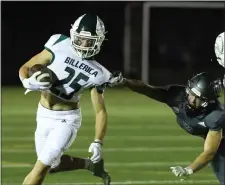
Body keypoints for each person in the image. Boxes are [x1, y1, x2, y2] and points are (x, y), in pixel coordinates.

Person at [19, 13, 112, 185]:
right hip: (43, 114)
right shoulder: (58, 43)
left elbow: (100, 111)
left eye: (89, 41)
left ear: (99, 42)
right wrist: (27, 81)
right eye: (80, 39)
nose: (83, 45)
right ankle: (91, 166)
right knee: (53, 165)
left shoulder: (100, 73)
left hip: (66, 120)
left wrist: (98, 141)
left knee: (39, 170)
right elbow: (26, 67)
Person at [109, 72, 225, 185]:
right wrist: (125, 82)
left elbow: (209, 152)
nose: (191, 100)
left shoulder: (215, 116)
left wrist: (188, 170)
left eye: (197, 98)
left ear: (207, 102)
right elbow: (148, 89)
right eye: (190, 94)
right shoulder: (178, 96)